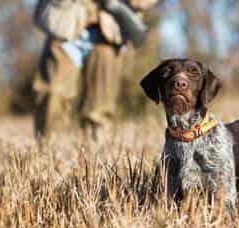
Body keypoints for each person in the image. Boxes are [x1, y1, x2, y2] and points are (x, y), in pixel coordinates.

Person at [33, 0, 158, 138]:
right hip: (64, 23)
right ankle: (49, 145)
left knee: (99, 111)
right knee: (53, 96)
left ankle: (95, 152)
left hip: (110, 31)